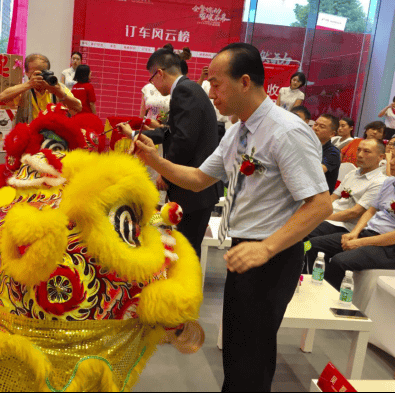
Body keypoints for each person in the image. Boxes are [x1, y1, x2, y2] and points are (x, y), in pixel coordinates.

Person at [129, 43, 331, 392]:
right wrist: (155, 162)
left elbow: (319, 205)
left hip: (272, 255)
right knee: (238, 352)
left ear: (245, 82)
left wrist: (265, 249)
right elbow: (198, 178)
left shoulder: (286, 131)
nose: (210, 92)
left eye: (216, 83)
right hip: (245, 250)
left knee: (252, 354)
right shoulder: (238, 131)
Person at [118, 48, 220, 259]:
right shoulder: (187, 88)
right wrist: (134, 134)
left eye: (151, 78)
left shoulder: (184, 91)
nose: (152, 85)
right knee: (185, 246)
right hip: (195, 188)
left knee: (186, 250)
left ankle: (185, 290)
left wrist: (164, 170)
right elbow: (172, 131)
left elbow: (183, 140)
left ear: (160, 73)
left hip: (193, 188)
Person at [307, 138, 395, 290]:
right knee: (312, 245)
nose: (391, 162)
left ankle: (330, 302)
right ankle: (313, 286)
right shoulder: (389, 182)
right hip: (369, 235)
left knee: (341, 261)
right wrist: (354, 233)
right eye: (392, 157)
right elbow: (371, 210)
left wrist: (359, 242)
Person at [305, 139, 387, 242]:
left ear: (381, 157)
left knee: (304, 233)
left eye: (366, 151)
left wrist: (322, 218)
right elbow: (333, 197)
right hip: (329, 216)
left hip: (343, 225)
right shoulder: (353, 173)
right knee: (293, 223)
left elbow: (355, 212)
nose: (360, 155)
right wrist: (317, 213)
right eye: (358, 150)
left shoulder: (380, 182)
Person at [0, 53, 82, 124]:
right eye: (36, 73)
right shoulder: (24, 89)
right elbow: (2, 97)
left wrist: (60, 94)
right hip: (29, 136)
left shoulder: (57, 87)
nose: (40, 77)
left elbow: (78, 107)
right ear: (27, 73)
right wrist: (29, 84)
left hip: (53, 137)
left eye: (43, 73)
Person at [313, 114, 341, 193]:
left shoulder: (333, 152)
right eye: (315, 124)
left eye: (321, 127)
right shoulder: (309, 145)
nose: (316, 128)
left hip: (320, 196)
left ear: (332, 134)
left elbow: (316, 172)